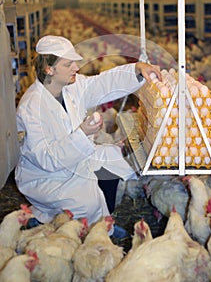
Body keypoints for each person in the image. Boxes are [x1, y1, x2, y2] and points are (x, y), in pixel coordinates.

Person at [15, 35, 161, 236]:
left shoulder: (71, 86)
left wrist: (136, 70)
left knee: (121, 160)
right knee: (86, 206)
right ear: (50, 69)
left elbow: (102, 84)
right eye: (68, 64)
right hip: (48, 176)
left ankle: (103, 222)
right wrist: (83, 135)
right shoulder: (31, 107)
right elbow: (47, 159)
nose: (76, 67)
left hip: (74, 160)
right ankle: (44, 217)